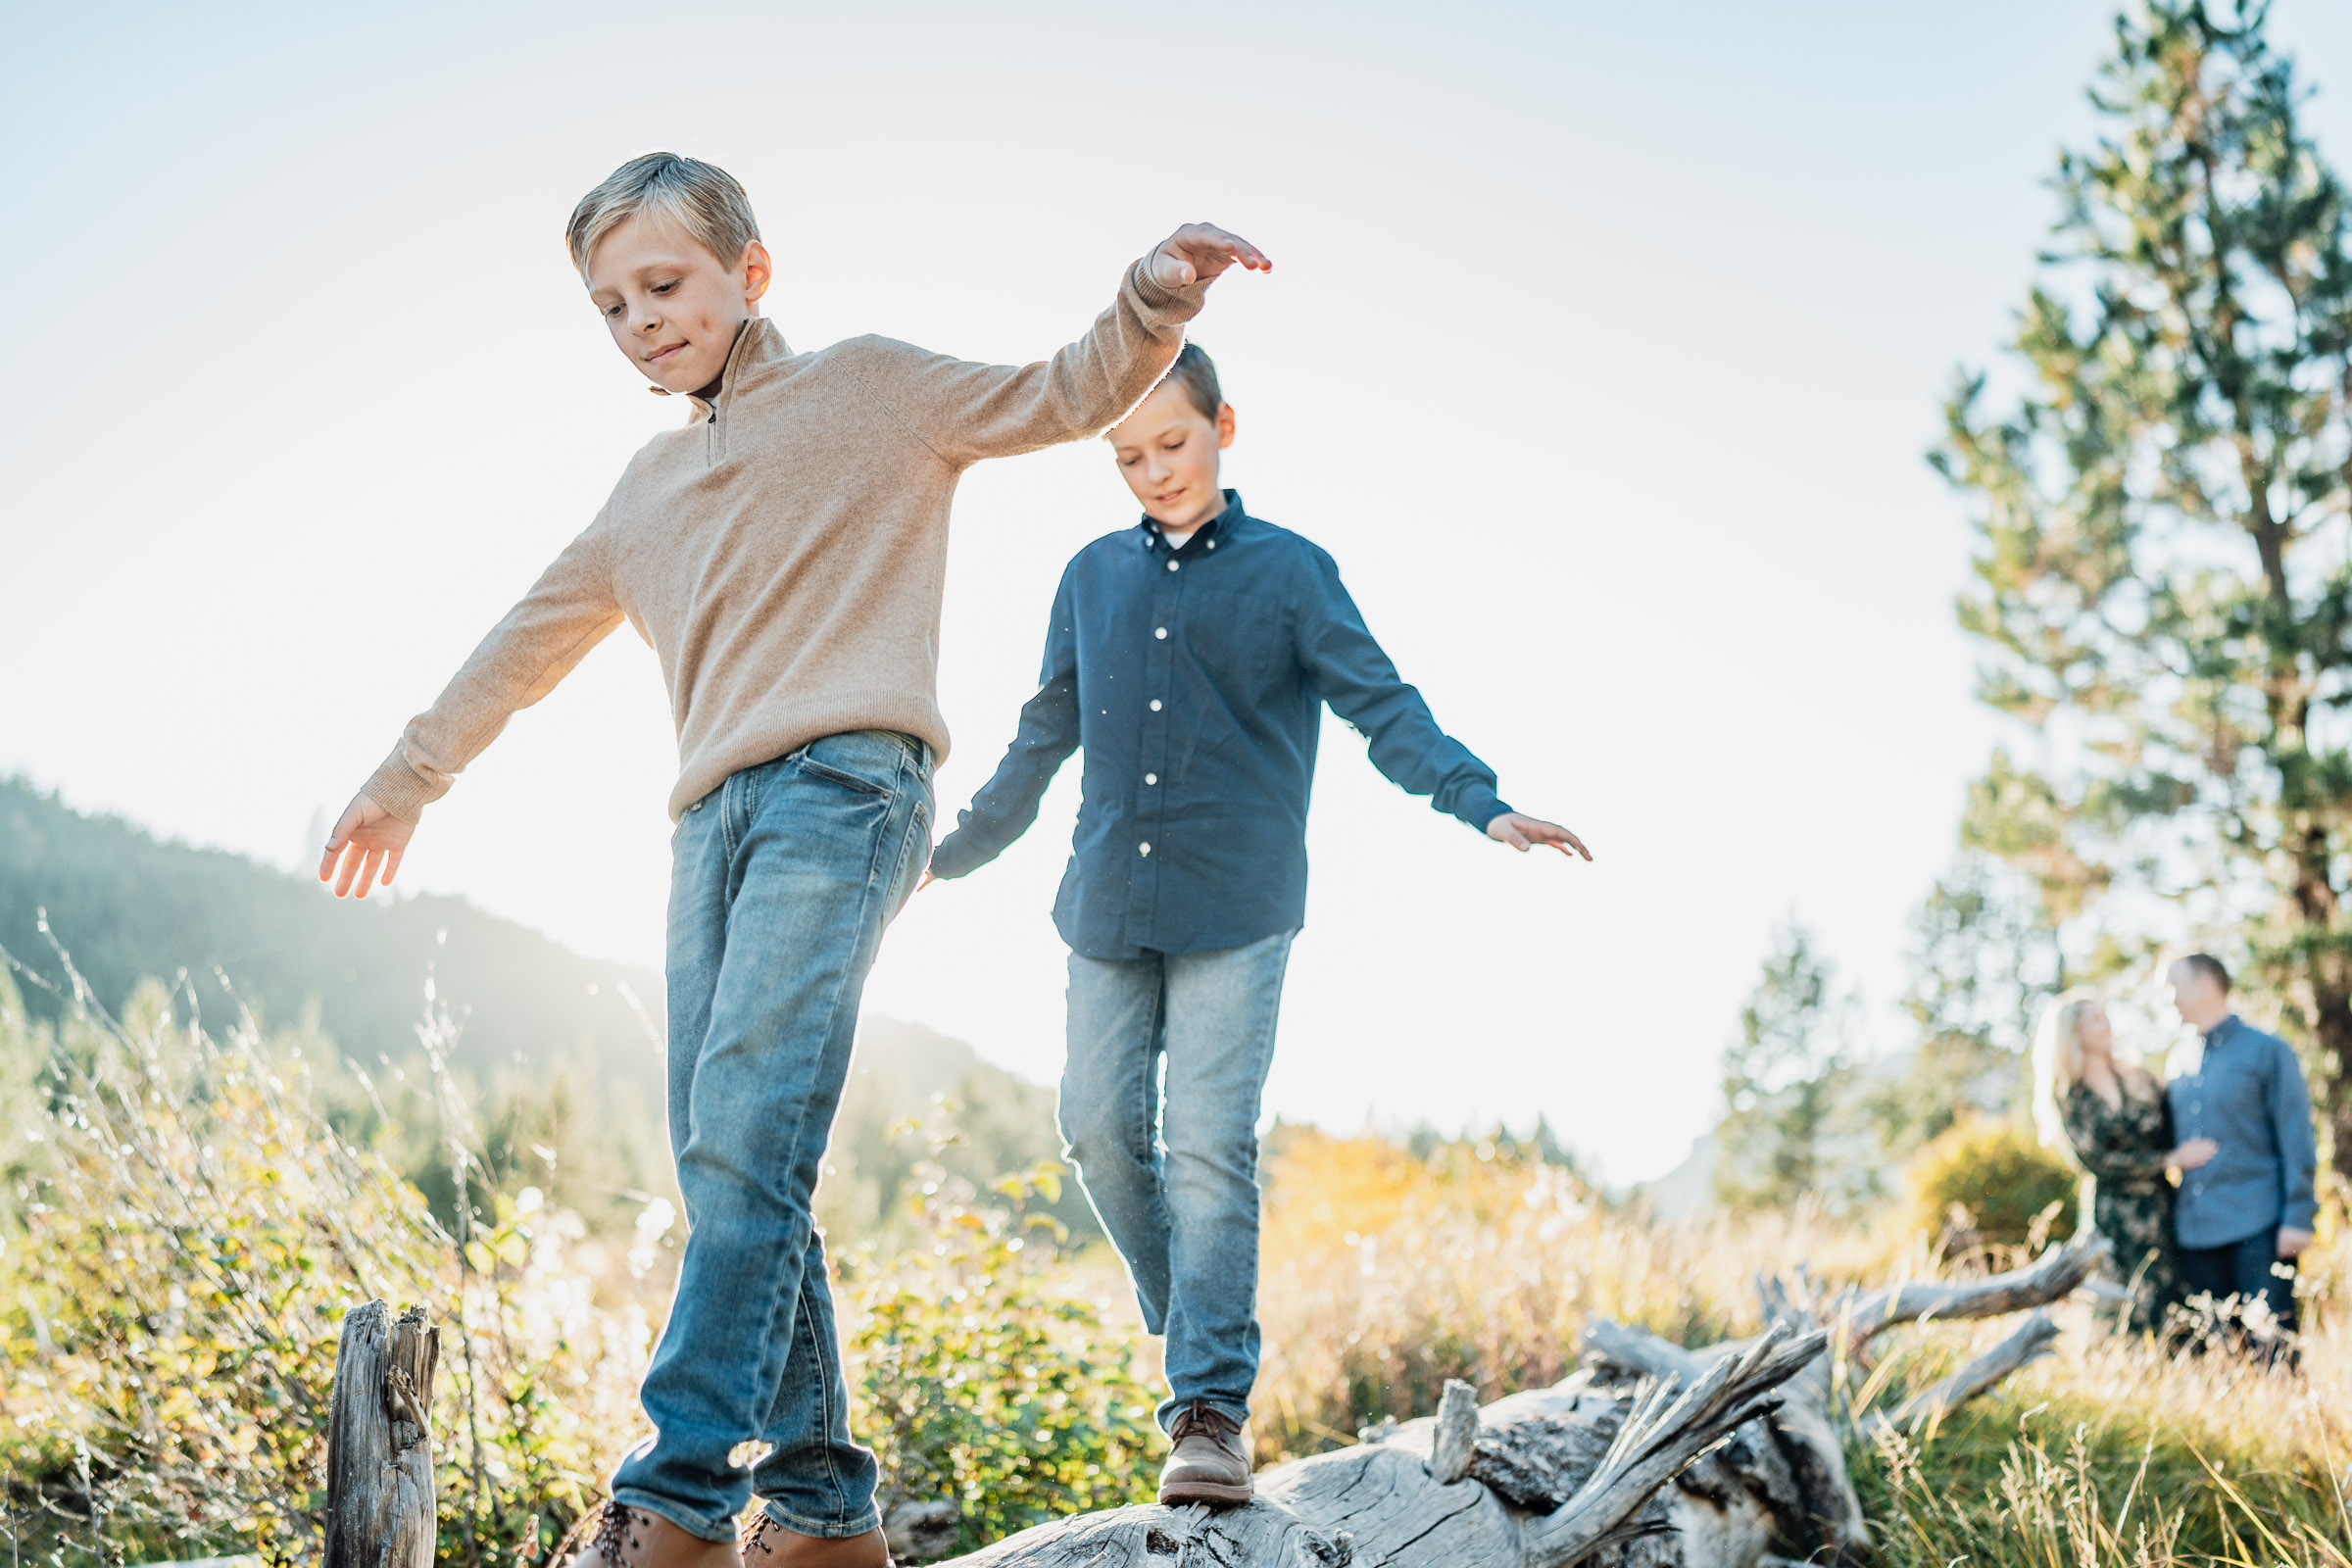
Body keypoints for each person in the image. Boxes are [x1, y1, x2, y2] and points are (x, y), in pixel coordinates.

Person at [314, 152, 1268, 1568]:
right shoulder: (642, 493)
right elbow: (520, 644)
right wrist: (407, 780)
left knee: (746, 1133)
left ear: (750, 274)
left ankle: (680, 1493)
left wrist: (1155, 295)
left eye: (665, 284)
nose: (641, 319)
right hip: (706, 828)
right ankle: (823, 1512)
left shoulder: (872, 389)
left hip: (849, 787)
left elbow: (1062, 390)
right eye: (611, 305)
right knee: (731, 1164)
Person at [921, 344, 1589, 1507]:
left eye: (1172, 444)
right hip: (1105, 905)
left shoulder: (1291, 572)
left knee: (1208, 1147)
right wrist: (948, 852)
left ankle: (1209, 1411)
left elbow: (1383, 706)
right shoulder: (1089, 577)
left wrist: (1480, 801)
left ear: (1223, 424)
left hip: (1239, 901)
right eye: (1127, 457)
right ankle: (1199, 1332)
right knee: (1093, 1126)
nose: (1152, 471)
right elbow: (1042, 736)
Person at [2031, 990, 2216, 1334]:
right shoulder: (2068, 1094)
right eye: (2096, 1020)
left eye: (2106, 1017)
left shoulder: (2139, 1079)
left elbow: (2174, 1126)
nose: (2107, 1026)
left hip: (2162, 1207)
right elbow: (2095, 1160)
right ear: (2074, 1033)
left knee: (2176, 1297)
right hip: (2114, 1214)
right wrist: (2168, 1160)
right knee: (2122, 1307)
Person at [2161, 954, 2320, 1353]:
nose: (2167, 997)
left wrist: (2299, 1216)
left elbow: (2296, 1135)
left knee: (2273, 1348)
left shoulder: (2268, 1050)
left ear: (2205, 985)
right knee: (2221, 1353)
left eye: (2172, 985)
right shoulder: (2176, 1060)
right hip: (2196, 1233)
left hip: (2259, 1224)